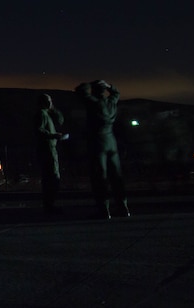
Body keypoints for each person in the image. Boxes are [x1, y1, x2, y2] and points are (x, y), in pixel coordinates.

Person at [76, 79, 129, 218]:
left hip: (97, 142)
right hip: (111, 141)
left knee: (100, 176)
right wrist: (108, 86)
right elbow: (116, 93)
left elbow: (80, 90)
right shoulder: (111, 103)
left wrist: (89, 85)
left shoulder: (93, 103)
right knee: (116, 176)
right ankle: (123, 206)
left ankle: (104, 209)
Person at [35, 93, 69, 214]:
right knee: (52, 177)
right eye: (48, 101)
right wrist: (54, 135)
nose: (50, 103)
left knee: (50, 177)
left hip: (49, 148)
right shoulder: (42, 114)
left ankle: (49, 204)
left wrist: (53, 109)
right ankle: (49, 205)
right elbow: (39, 130)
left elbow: (60, 119)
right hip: (47, 149)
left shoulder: (45, 114)